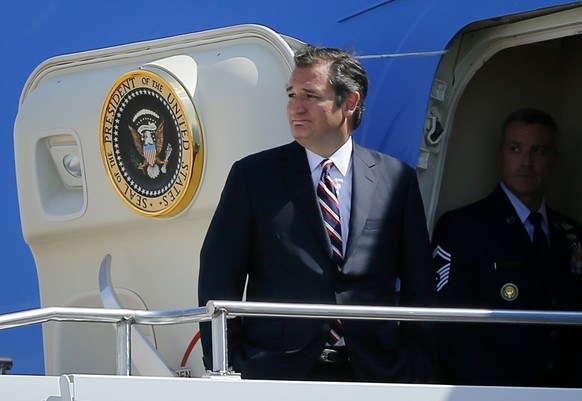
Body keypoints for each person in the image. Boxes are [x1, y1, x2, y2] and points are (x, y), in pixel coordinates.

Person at [198, 44, 436, 382]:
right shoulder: (253, 177)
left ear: (350, 102)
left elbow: (420, 286)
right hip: (275, 373)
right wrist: (226, 366)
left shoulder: (396, 179)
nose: (295, 107)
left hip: (375, 372)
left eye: (310, 95)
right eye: (292, 94)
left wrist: (416, 367)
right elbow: (218, 278)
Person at [433, 107, 582, 387]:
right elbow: (451, 326)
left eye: (538, 151)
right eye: (516, 149)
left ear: (554, 161)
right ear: (500, 155)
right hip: (491, 390)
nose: (526, 162)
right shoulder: (464, 227)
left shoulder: (573, 235)